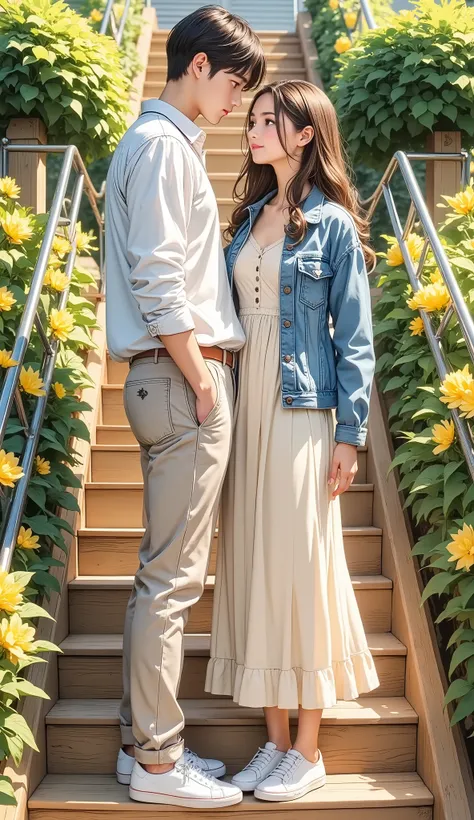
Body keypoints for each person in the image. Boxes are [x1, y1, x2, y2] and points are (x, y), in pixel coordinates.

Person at [104, 5, 266, 808]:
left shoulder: (152, 145)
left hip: (161, 380)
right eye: (237, 83)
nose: (238, 103)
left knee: (159, 578)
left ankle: (144, 752)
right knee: (172, 583)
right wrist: (203, 377)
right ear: (198, 66)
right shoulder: (164, 148)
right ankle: (160, 764)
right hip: (180, 379)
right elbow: (159, 277)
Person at [205, 79, 380, 802]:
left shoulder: (333, 223)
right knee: (250, 564)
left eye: (268, 121)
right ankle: (274, 741)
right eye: (251, 120)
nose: (253, 130)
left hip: (304, 409)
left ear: (306, 134)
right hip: (245, 408)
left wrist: (351, 434)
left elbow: (357, 339)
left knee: (299, 570)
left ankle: (308, 750)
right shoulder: (247, 218)